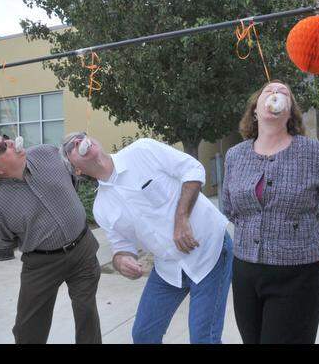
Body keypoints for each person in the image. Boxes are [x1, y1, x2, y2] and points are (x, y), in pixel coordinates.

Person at [221, 81, 319, 344]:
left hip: (297, 276)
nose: (276, 94)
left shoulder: (312, 153)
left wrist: (317, 238)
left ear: (290, 113)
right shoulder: (235, 155)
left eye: (284, 93)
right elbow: (228, 207)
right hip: (245, 273)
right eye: (269, 91)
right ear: (255, 110)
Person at [61, 132, 232, 344]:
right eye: (70, 146)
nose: (78, 141)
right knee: (144, 336)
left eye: (80, 137)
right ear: (77, 170)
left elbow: (193, 169)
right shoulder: (102, 207)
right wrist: (121, 261)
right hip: (169, 268)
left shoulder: (142, 150)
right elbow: (122, 245)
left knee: (204, 339)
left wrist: (182, 217)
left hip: (209, 251)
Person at [0, 134, 103, 344]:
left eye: (6, 138)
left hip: (83, 248)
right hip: (42, 265)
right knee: (29, 328)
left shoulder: (46, 153)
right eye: (2, 147)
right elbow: (4, 246)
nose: (10, 142)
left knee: (86, 313)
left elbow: (71, 180)